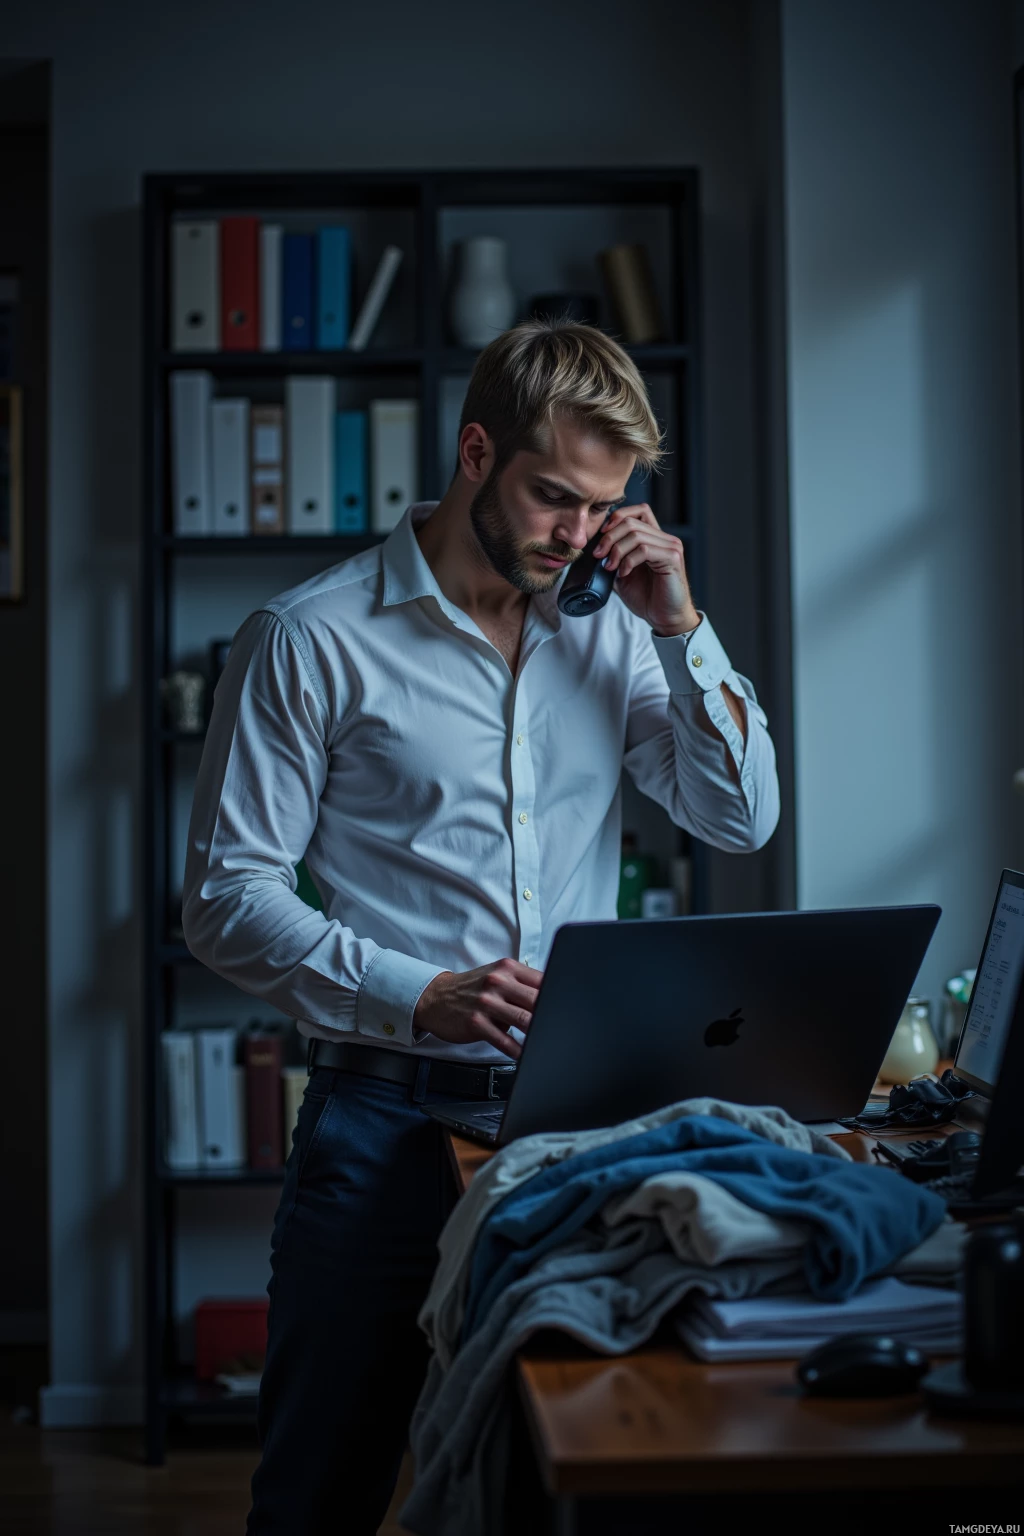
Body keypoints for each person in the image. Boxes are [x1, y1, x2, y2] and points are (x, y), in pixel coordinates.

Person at [181, 319, 780, 1534]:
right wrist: (417, 989)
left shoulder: (618, 629)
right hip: (378, 1128)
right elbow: (225, 899)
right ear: (473, 453)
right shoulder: (310, 636)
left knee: (558, 1481)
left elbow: (739, 816)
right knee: (318, 1492)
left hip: (572, 1129)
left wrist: (680, 624)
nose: (577, 533)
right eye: (553, 495)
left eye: (603, 505)